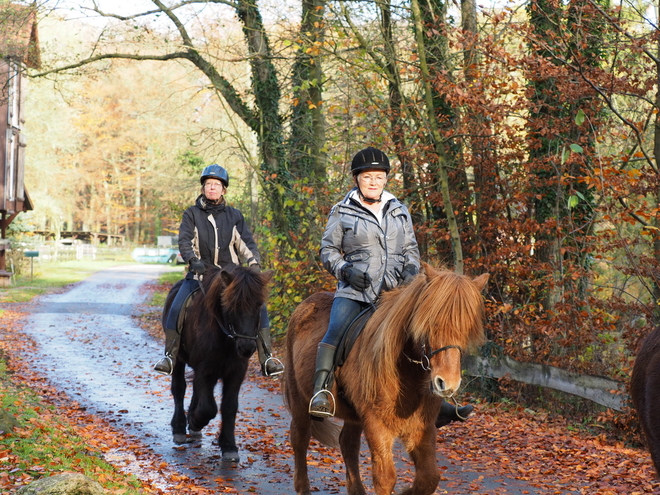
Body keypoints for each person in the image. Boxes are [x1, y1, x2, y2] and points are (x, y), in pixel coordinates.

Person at [308, 147, 473, 425]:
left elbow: (410, 246)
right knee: (335, 330)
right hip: (356, 292)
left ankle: (437, 401)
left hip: (396, 294)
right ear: (357, 179)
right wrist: (345, 270)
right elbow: (327, 251)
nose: (373, 182)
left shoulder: (399, 210)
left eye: (379, 177)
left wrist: (411, 267)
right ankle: (322, 391)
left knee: (423, 337)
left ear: (386, 179)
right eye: (367, 177)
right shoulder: (342, 211)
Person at [153, 164, 284, 378]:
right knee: (178, 306)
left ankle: (267, 357)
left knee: (258, 306)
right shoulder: (191, 214)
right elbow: (185, 240)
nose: (212, 188)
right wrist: (192, 259)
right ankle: (170, 355)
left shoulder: (234, 216)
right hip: (200, 275)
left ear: (224, 189)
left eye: (216, 184)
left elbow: (246, 244)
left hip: (229, 279)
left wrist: (254, 266)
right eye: (208, 184)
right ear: (203, 188)